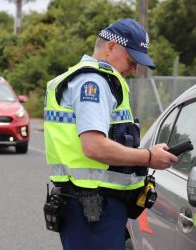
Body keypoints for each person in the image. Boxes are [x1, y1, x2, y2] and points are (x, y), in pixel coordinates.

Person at [43, 18, 178, 250]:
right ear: (111, 47)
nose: (134, 69)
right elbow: (94, 147)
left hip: (90, 206)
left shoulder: (90, 80)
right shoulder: (93, 83)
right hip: (92, 208)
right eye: (131, 61)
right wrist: (148, 157)